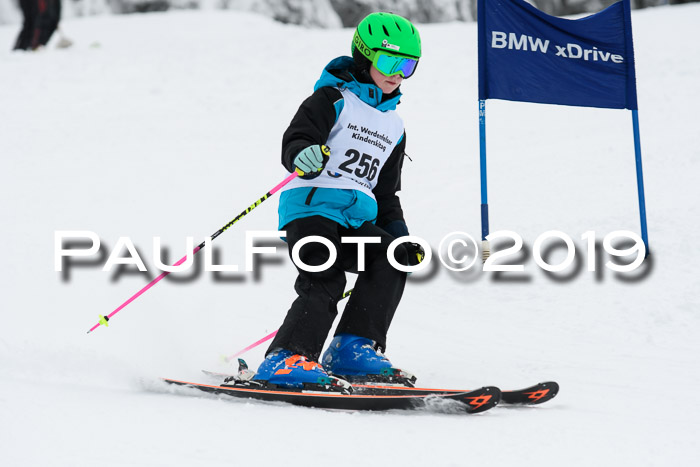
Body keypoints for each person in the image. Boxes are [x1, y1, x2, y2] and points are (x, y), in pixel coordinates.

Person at [253, 12, 425, 388]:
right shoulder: (332, 99)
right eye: (389, 62)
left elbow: (386, 192)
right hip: (312, 209)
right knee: (325, 276)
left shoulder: (394, 126)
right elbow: (297, 138)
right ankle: (286, 358)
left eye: (408, 65)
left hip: (355, 218)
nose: (398, 73)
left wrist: (400, 234)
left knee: (390, 258)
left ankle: (352, 348)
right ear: (365, 57)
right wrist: (303, 154)